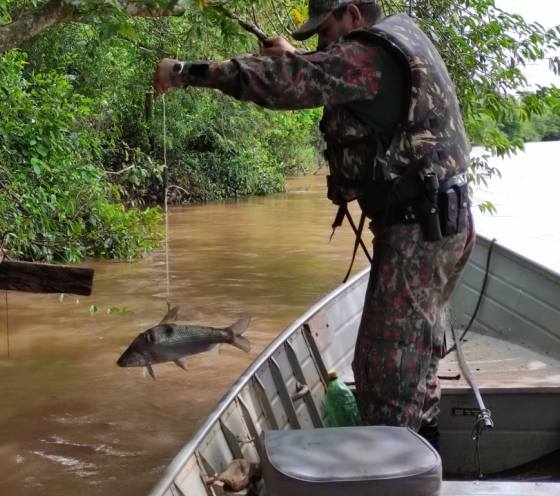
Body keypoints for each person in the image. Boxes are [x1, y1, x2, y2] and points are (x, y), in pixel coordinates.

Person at [152, 0, 475, 449]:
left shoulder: (366, 56)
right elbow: (326, 72)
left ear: (353, 14)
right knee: (413, 358)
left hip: (418, 229)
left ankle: (400, 470)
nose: (322, 40)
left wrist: (185, 71)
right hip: (443, 224)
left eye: (326, 29)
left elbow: (286, 84)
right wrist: (300, 58)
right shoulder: (395, 42)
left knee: (383, 371)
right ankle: (425, 447)